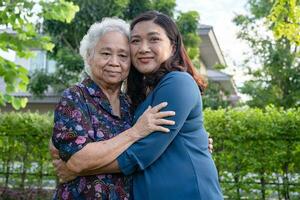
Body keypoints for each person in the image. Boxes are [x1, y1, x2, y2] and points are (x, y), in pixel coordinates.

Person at [51, 11, 219, 200]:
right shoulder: (82, 97)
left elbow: (141, 152)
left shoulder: (173, 84)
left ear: (173, 46)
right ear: (89, 57)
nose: (143, 48)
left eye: (123, 55)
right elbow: (66, 145)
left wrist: (77, 169)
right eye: (136, 41)